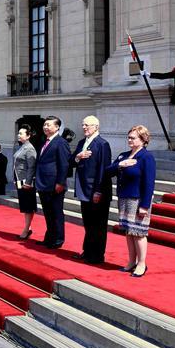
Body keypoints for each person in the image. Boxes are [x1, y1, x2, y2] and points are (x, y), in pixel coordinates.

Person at [107, 125, 156, 277]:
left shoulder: (146, 157)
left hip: (138, 199)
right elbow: (108, 171)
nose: (129, 140)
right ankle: (131, 261)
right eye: (128, 137)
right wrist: (120, 165)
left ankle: (141, 264)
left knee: (139, 232)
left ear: (143, 140)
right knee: (129, 231)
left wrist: (145, 206)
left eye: (133, 138)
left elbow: (149, 183)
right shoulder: (124, 155)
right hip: (124, 198)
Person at [69, 116, 113, 264]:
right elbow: (71, 162)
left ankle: (97, 255)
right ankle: (87, 251)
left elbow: (103, 169)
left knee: (98, 225)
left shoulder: (102, 144)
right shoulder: (82, 143)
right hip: (83, 189)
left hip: (96, 191)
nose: (84, 127)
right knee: (88, 223)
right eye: (83, 125)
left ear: (96, 127)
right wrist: (78, 157)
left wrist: (98, 191)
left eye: (87, 125)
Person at [35, 116, 70, 249]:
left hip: (54, 184)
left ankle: (58, 239)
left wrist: (60, 182)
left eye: (49, 125)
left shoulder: (61, 142)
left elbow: (64, 164)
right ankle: (49, 238)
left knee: (56, 213)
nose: (45, 127)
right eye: (44, 124)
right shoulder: (45, 141)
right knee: (48, 213)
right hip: (43, 183)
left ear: (57, 127)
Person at [13, 125, 38, 240]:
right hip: (20, 180)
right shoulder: (22, 147)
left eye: (21, 133)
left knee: (28, 206)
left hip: (26, 182)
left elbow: (31, 167)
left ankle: (26, 229)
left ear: (28, 136)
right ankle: (28, 227)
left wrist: (28, 182)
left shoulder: (30, 149)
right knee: (24, 205)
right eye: (19, 133)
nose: (19, 135)